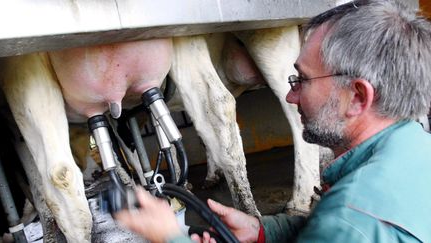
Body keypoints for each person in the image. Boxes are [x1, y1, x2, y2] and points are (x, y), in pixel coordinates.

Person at [115, 0, 431, 242]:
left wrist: (171, 237)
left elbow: (342, 227)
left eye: (302, 80)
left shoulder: (350, 218)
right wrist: (264, 231)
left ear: (358, 97)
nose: (291, 97)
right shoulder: (417, 147)